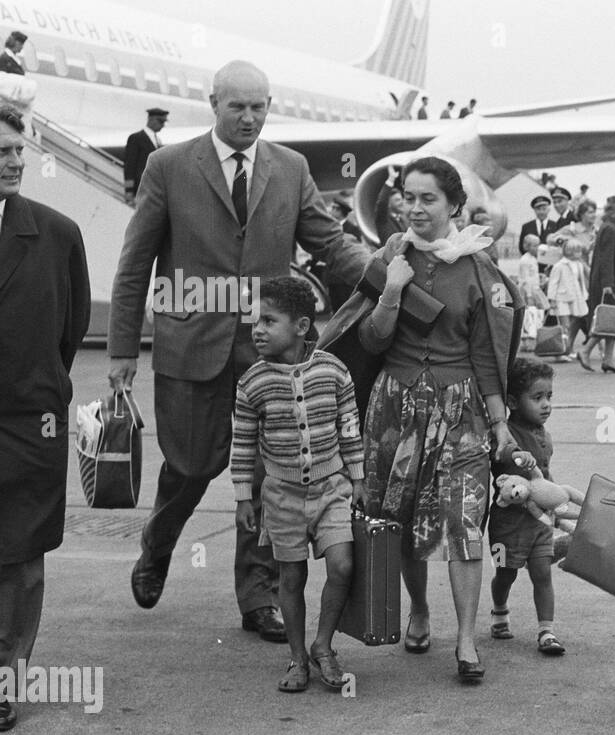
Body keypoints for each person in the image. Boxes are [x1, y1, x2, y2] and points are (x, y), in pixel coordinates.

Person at [107, 60, 369, 643]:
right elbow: (134, 263)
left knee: (273, 470)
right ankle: (157, 545)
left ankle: (259, 596)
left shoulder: (291, 167)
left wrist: (386, 276)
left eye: (260, 107)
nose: (250, 118)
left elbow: (328, 244)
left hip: (268, 352)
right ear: (214, 104)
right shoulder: (168, 166)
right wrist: (123, 348)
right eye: (238, 107)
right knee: (191, 465)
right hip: (190, 347)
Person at [320, 155, 519, 683]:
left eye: (428, 198)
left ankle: (467, 641)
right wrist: (389, 292)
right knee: (401, 520)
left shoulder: (479, 267)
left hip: (461, 411)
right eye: (408, 196)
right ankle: (420, 611)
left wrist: (499, 422)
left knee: (464, 522)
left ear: (455, 205)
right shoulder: (390, 255)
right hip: (395, 407)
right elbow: (370, 340)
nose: (414, 207)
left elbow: (488, 355)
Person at [0, 105, 91, 733]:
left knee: (21, 553)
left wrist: (39, 388)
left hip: (30, 420)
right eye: (1, 151)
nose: (14, 160)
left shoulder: (56, 234)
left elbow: (72, 327)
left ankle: (6, 679)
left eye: (17, 150)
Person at [231, 277, 363, 693]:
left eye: (269, 320)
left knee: (342, 564)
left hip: (332, 489)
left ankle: (323, 644)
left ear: (302, 326)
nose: (257, 329)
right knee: (290, 579)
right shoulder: (252, 382)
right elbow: (243, 445)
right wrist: (242, 499)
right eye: (255, 321)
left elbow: (350, 429)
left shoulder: (333, 371)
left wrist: (357, 478)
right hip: (281, 496)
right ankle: (297, 657)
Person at [489, 357, 567, 656]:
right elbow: (502, 457)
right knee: (505, 573)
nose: (546, 404)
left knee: (542, 573)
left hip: (538, 522)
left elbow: (545, 479)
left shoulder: (544, 436)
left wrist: (557, 503)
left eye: (549, 397)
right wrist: (515, 455)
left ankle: (546, 631)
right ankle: (499, 611)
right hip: (508, 523)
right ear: (512, 401)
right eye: (537, 398)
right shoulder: (504, 432)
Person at [577, 196, 615, 374]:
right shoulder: (609, 229)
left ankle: (608, 359)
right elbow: (606, 258)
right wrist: (608, 283)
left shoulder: (609, 227)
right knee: (608, 317)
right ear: (614, 210)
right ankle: (585, 350)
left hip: (612, 278)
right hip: (610, 280)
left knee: (612, 318)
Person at [546, 239, 588, 360]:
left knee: (572, 326)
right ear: (569, 251)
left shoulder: (579, 264)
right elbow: (553, 283)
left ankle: (568, 349)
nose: (580, 253)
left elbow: (581, 281)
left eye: (580, 251)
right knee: (564, 326)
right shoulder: (559, 265)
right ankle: (560, 352)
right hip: (562, 299)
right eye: (577, 251)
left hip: (576, 298)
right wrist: (552, 300)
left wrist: (584, 295)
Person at [123, 107, 168, 205]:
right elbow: (130, 166)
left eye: (164, 122)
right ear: (151, 119)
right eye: (161, 122)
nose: (163, 125)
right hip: (140, 189)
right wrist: (129, 192)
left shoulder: (158, 141)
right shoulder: (136, 138)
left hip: (153, 191)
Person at [516, 233, 549, 353]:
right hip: (528, 291)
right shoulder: (525, 260)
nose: (537, 248)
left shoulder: (533, 259)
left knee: (535, 315)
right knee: (529, 316)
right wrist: (529, 295)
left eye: (538, 245)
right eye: (534, 246)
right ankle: (528, 342)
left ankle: (532, 340)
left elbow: (532, 276)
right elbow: (525, 279)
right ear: (527, 246)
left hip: (534, 289)